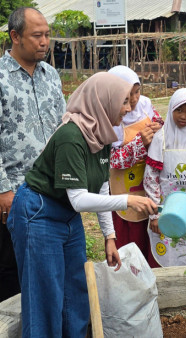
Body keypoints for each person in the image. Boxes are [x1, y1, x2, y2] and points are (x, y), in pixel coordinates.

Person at [7, 72, 158, 337]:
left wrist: (109, 236)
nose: (128, 107)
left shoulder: (103, 134)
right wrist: (128, 200)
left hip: (66, 216)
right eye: (123, 101)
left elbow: (100, 185)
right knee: (46, 295)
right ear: (104, 101)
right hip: (39, 212)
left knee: (75, 292)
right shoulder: (71, 136)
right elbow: (79, 200)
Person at [0, 7, 66, 302]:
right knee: (11, 270)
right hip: (14, 191)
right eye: (37, 35)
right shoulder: (1, 78)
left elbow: (64, 125)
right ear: (15, 36)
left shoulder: (50, 75)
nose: (44, 41)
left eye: (47, 35)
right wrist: (3, 189)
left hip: (52, 190)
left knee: (48, 267)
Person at [144, 88, 186, 267]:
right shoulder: (161, 139)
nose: (184, 116)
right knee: (166, 252)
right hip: (165, 209)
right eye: (179, 111)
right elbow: (151, 178)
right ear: (171, 110)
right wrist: (154, 216)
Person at [107, 65, 164, 263]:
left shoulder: (146, 105)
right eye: (127, 94)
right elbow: (113, 159)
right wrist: (141, 142)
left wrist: (158, 128)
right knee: (129, 236)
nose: (133, 100)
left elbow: (160, 124)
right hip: (124, 186)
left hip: (149, 182)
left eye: (137, 92)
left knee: (150, 233)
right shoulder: (110, 117)